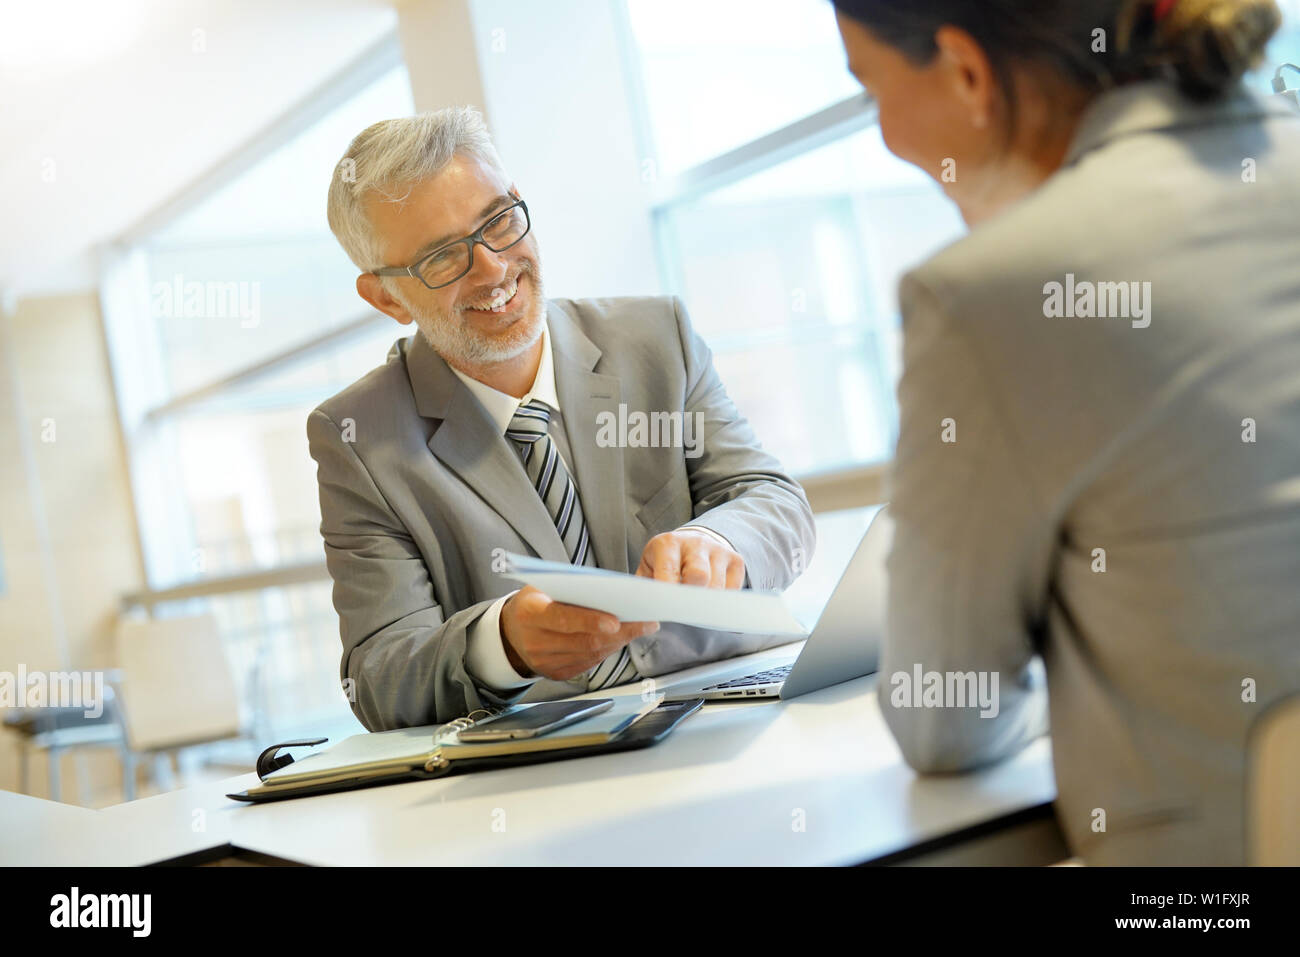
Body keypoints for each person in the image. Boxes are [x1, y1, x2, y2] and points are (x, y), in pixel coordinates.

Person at [832, 0, 1300, 864]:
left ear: (968, 72)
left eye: (870, 93)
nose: (886, 136)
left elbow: (946, 719)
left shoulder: (993, 293)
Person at [311, 107, 815, 731]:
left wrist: (721, 541)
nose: (493, 268)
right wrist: (504, 646)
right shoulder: (360, 439)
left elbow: (774, 502)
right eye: (443, 258)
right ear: (386, 297)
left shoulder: (656, 338)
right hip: (549, 761)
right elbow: (380, 677)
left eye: (497, 220)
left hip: (734, 711)